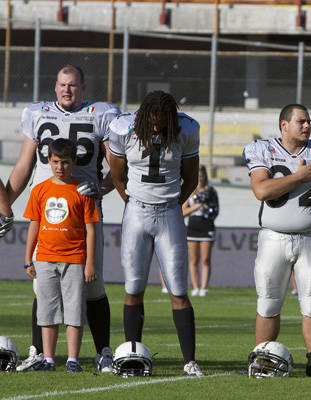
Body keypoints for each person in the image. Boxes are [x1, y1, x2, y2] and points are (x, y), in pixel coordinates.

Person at [7, 64, 118, 372]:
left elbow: (117, 169)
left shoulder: (101, 114)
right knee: (42, 288)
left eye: (73, 85)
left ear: (82, 87)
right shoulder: (37, 113)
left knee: (92, 287)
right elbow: (22, 168)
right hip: (47, 214)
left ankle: (103, 351)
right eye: (62, 85)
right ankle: (39, 352)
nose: (67, 90)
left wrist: (102, 188)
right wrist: (5, 205)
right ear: (54, 87)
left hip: (82, 214)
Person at [242, 103, 311, 377]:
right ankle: (261, 360)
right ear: (284, 125)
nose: (307, 126)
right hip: (274, 237)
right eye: (301, 121)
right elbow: (261, 190)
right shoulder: (262, 149)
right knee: (268, 301)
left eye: (309, 121)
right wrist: (299, 177)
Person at [108, 90, 204, 377]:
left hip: (169, 212)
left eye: (163, 118)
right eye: (153, 117)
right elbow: (116, 175)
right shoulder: (123, 128)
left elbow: (191, 176)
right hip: (136, 210)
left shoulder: (186, 128)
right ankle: (131, 354)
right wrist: (134, 203)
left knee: (178, 290)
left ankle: (189, 361)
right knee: (133, 287)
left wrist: (173, 202)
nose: (157, 124)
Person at [23, 139, 100, 372]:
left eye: (65, 162)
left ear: (74, 162)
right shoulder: (40, 190)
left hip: (75, 260)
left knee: (75, 312)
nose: (60, 167)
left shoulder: (82, 190)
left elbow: (90, 229)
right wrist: (28, 258)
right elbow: (34, 226)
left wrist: (89, 263)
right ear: (48, 161)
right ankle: (48, 359)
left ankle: (73, 360)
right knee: (47, 311)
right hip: (44, 258)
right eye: (56, 162)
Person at [182, 164, 219, 297]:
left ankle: (204, 288)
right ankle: (195, 287)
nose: (200, 178)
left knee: (205, 259)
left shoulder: (212, 191)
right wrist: (197, 206)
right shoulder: (189, 191)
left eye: (202, 176)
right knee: (193, 260)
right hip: (192, 228)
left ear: (205, 176)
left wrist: (207, 211)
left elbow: (216, 211)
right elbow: (183, 212)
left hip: (207, 228)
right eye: (197, 176)